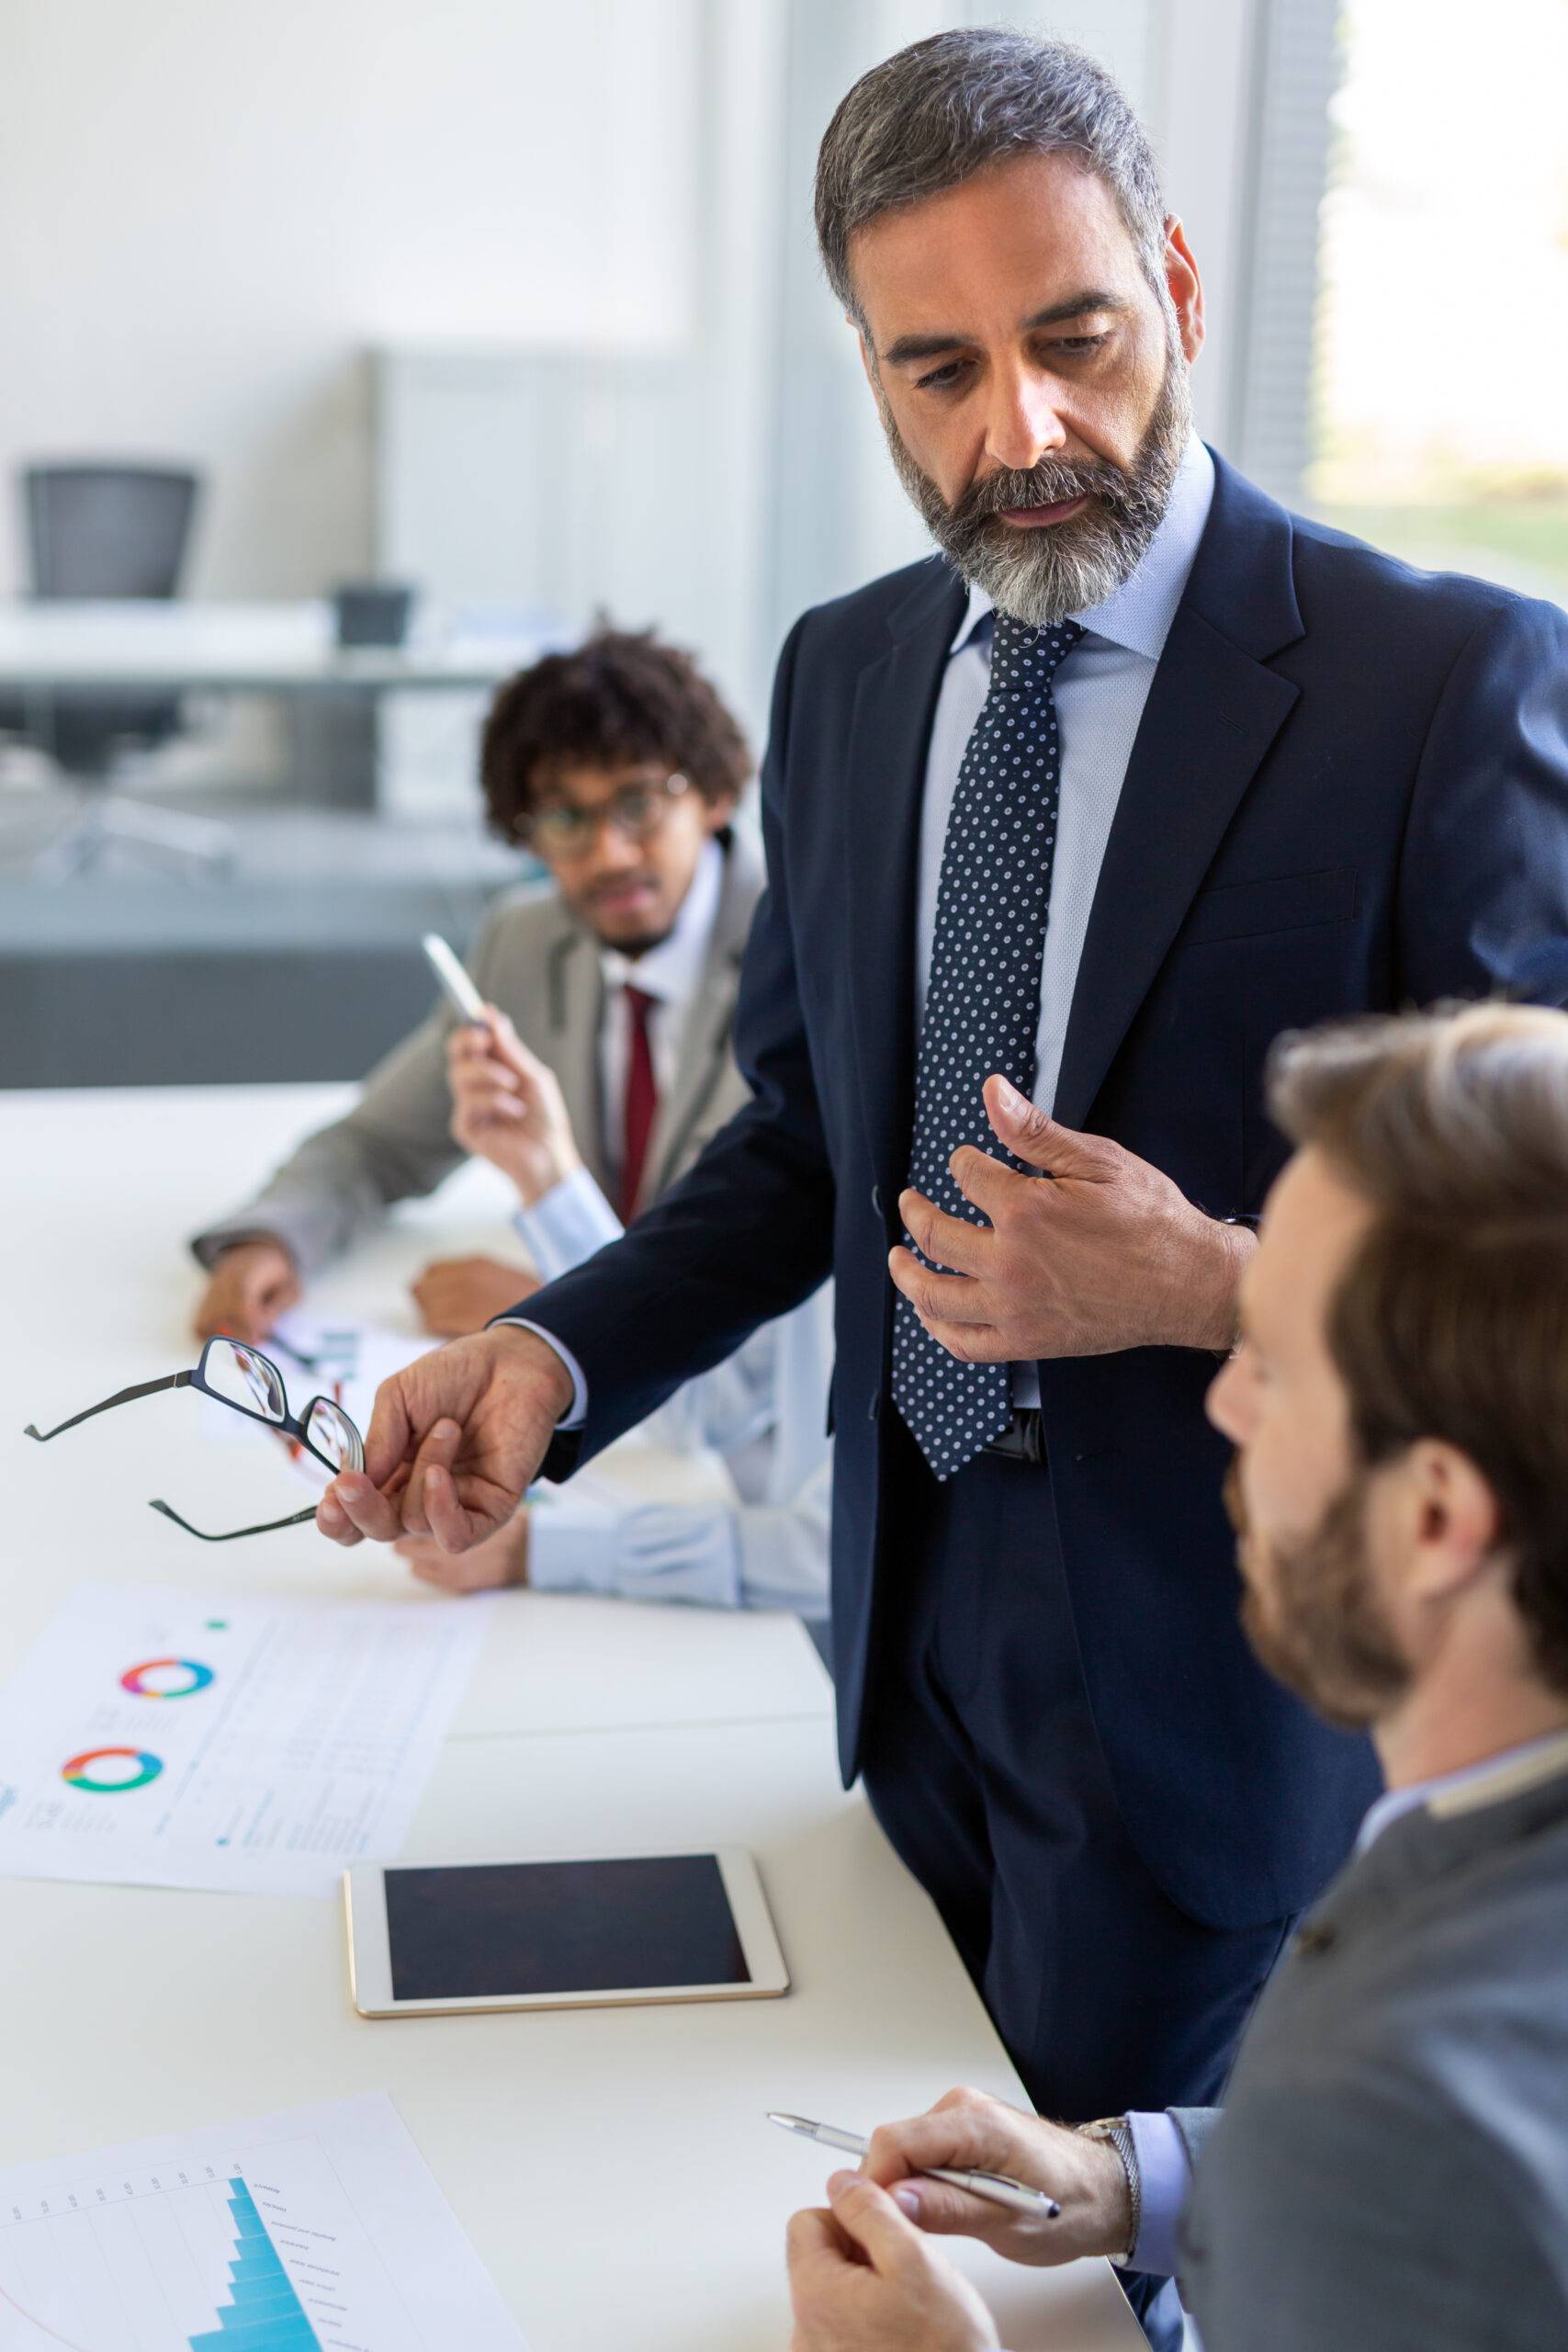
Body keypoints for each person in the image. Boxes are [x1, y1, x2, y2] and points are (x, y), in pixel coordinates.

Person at [315, 28, 1568, 2311]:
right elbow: (808, 1137)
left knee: (1132, 2276)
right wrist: (549, 1357)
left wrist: (1211, 1274)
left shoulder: (1441, 684)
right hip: (897, 1664)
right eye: (938, 368)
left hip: (1218, 1717)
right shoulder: (845, 674)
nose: (1021, 431)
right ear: (870, 376)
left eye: (1071, 336)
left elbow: (1535, 1267)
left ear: (1173, 281)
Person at [784, 1001, 1568, 2352]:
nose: (1221, 1404)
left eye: (1267, 1358)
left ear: (1434, 1518)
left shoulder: (1412, 2084)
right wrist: (1127, 2181)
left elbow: (1428, 2176)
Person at [189, 625, 829, 1623]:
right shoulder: (525, 943)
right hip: (630, 1444)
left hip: (743, 1457)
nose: (607, 851)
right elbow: (379, 1140)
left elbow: (758, 1269)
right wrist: (275, 1234)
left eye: (636, 802)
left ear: (710, 793)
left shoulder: (805, 948)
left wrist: (545, 1306)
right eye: (564, 819)